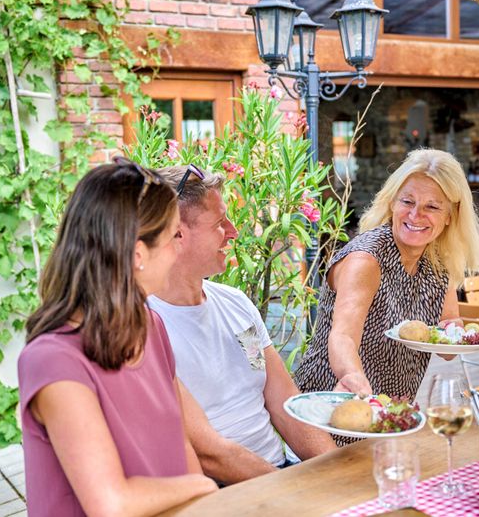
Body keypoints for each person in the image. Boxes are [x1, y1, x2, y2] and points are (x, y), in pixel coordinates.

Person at [18, 160, 217, 515]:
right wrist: (201, 486)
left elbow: (179, 445)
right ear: (138, 255)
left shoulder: (150, 326)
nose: (178, 250)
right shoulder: (53, 360)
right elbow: (110, 503)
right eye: (174, 236)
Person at [147, 164, 336, 485]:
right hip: (218, 491)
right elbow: (208, 455)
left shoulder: (235, 303)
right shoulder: (142, 327)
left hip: (275, 471)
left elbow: (285, 403)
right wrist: (289, 491)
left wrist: (338, 472)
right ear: (177, 233)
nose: (234, 232)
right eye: (220, 223)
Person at [295, 148, 479, 402]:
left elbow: (449, 330)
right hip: (335, 400)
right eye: (407, 201)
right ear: (392, 201)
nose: (415, 215)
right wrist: (352, 376)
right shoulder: (366, 259)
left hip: (393, 407)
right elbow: (342, 335)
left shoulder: (439, 261)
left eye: (431, 206)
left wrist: (456, 335)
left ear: (450, 216)